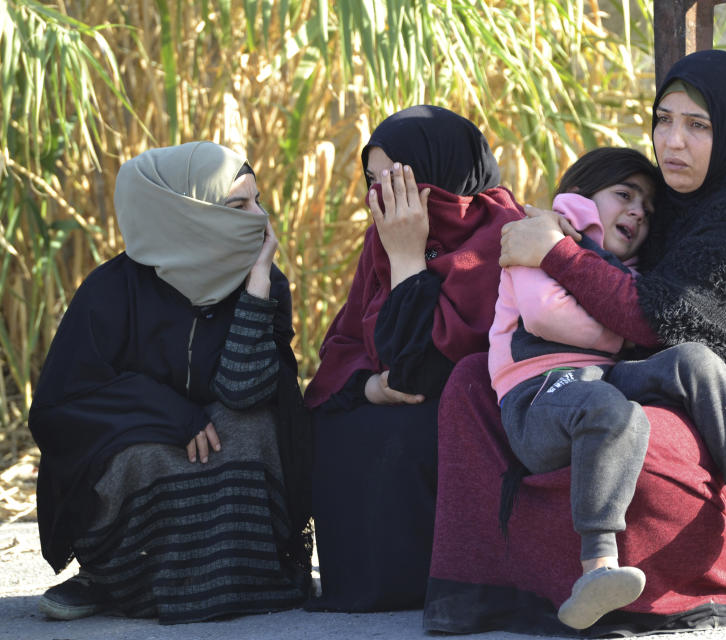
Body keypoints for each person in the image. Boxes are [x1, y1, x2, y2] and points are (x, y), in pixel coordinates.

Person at [424, 50, 726, 636]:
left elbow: (651, 319)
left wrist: (555, 252)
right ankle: (488, 584)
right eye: (664, 119)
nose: (673, 141)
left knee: (631, 444)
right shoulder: (666, 207)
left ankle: (725, 530)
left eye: (698, 126)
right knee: (471, 381)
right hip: (638, 382)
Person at [488, 146, 726, 630]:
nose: (637, 211)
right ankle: (597, 568)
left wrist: (625, 312)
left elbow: (642, 317)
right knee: (610, 411)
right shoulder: (539, 236)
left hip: (601, 377)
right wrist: (624, 328)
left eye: (647, 208)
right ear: (581, 194)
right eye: (624, 195)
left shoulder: (625, 268)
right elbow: (545, 315)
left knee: (694, 361)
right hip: (539, 394)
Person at [28, 142, 313, 624]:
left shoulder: (264, 281)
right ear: (187, 211)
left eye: (259, 201)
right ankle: (110, 578)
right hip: (143, 437)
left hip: (224, 432)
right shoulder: (110, 291)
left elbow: (248, 392)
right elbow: (60, 408)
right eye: (238, 205)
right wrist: (169, 416)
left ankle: (243, 574)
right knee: (137, 454)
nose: (258, 219)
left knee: (251, 426)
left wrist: (259, 283)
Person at [303, 105, 525, 611]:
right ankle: (361, 583)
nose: (379, 196)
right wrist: (367, 387)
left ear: (439, 173)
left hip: (473, 406)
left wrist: (407, 259)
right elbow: (344, 345)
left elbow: (426, 367)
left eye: (397, 178)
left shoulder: (499, 235)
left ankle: (432, 580)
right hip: (395, 391)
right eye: (371, 180)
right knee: (330, 423)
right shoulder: (382, 235)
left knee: (406, 432)